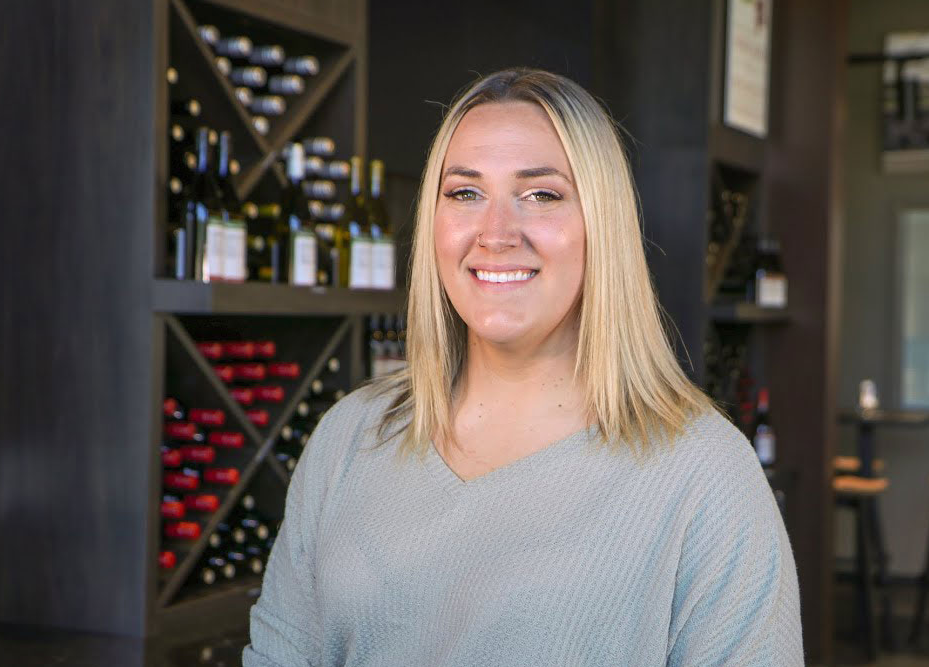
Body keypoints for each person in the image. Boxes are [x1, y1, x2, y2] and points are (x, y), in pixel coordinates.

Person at [243, 67, 803, 666]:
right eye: (465, 193)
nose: (496, 232)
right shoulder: (349, 436)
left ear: (602, 226)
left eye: (542, 194)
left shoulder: (704, 476)